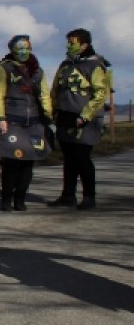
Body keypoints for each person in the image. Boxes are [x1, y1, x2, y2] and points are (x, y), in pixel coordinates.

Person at [48, 28, 110, 210]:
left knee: (82, 157)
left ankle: (89, 196)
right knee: (69, 157)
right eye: (68, 42)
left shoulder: (95, 65)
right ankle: (68, 195)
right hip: (65, 116)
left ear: (84, 45)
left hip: (86, 119)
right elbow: (55, 90)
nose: (68, 46)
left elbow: (100, 93)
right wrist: (52, 112)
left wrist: (85, 116)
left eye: (72, 43)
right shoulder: (65, 65)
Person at [0, 35, 53, 211]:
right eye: (19, 48)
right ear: (12, 50)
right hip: (11, 121)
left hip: (33, 122)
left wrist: (48, 118)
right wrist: (0, 118)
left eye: (26, 47)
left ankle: (20, 199)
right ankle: (6, 200)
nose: (23, 51)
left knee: (28, 163)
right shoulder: (3, 69)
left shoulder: (38, 71)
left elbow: (44, 95)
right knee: (11, 162)